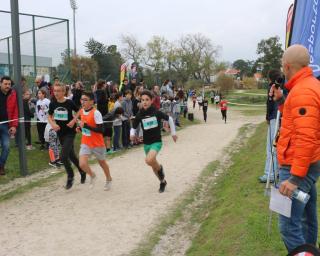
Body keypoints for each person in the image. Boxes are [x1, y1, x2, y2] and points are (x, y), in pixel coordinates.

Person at [272, 45, 320, 253]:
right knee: (308, 218)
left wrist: (295, 178)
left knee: (289, 226)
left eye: (283, 66)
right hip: (306, 164)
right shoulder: (307, 86)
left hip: (297, 166)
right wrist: (282, 101)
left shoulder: (303, 91)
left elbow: (305, 137)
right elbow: (297, 122)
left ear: (287, 66)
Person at [130, 90, 177, 193]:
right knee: (152, 165)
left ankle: (160, 168)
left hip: (156, 142)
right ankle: (162, 181)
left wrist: (173, 133)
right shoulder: (140, 114)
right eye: (142, 100)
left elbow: (169, 119)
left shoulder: (156, 112)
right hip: (146, 143)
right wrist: (132, 134)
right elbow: (134, 126)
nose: (145, 102)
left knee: (149, 160)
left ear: (152, 101)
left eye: (147, 100)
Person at [48, 82, 86, 189]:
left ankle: (70, 176)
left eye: (59, 91)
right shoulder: (53, 103)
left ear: (64, 92)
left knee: (63, 156)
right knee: (71, 155)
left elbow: (79, 111)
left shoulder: (69, 103)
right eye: (54, 91)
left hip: (70, 132)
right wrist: (53, 124)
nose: (56, 93)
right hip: (60, 133)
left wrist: (74, 121)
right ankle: (82, 171)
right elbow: (49, 116)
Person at [77, 91, 112, 190]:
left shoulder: (96, 113)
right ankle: (92, 175)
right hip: (86, 142)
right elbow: (84, 125)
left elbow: (101, 130)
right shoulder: (82, 111)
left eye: (85, 100)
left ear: (92, 102)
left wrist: (86, 126)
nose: (82, 102)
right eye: (81, 99)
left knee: (102, 163)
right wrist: (79, 129)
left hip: (97, 143)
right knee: (82, 164)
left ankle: (109, 179)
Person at [259, 69, 281, 183]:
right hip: (282, 119)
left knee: (271, 146)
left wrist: (267, 117)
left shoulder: (272, 87)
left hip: (274, 119)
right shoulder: (283, 85)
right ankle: (277, 171)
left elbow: (269, 104)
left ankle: (270, 174)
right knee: (278, 146)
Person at [0, 76, 18, 175]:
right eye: (5, 84)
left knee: (6, 146)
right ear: (0, 83)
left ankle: (1, 166)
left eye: (9, 84)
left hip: (6, 125)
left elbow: (15, 110)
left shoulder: (13, 94)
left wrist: (14, 125)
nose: (7, 86)